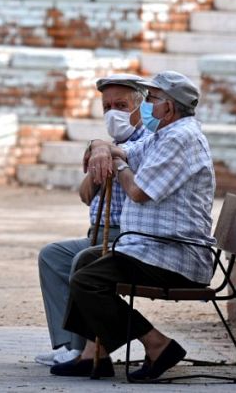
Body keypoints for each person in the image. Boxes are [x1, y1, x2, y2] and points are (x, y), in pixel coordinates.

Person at [52, 71, 215, 381]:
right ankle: (94, 354)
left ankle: (157, 344)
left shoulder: (181, 138)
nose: (147, 106)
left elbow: (138, 191)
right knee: (87, 261)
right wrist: (102, 148)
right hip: (151, 247)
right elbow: (124, 151)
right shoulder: (164, 134)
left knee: (88, 281)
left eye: (151, 99)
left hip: (174, 253)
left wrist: (119, 166)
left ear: (169, 107)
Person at [34, 74, 152, 366]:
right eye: (107, 107)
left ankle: (81, 350)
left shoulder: (146, 143)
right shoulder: (112, 144)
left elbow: (141, 190)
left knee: (83, 261)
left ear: (140, 108)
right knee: (52, 255)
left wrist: (112, 156)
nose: (113, 113)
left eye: (121, 106)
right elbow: (86, 195)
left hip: (127, 236)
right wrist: (99, 152)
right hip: (98, 233)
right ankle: (66, 344)